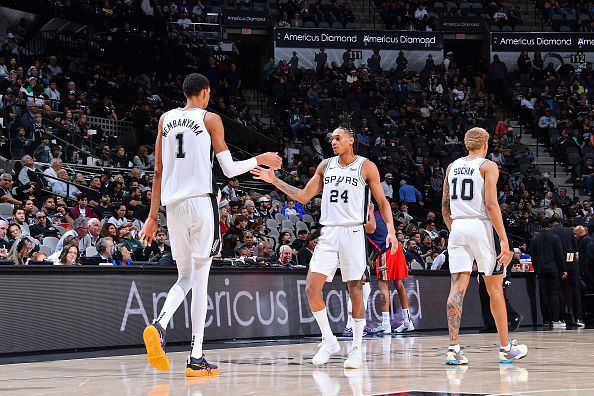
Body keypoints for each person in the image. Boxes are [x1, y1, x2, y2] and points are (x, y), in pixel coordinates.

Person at [139, 73, 282, 377]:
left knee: (184, 277)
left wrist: (152, 217)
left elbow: (158, 171)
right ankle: (196, 357)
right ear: (204, 93)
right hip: (201, 203)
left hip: (172, 206)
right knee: (200, 281)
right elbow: (229, 168)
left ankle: (159, 325)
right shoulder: (210, 119)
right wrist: (262, 158)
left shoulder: (165, 119)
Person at [251, 120, 397, 369]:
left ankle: (356, 349)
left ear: (351, 140)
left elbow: (382, 202)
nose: (333, 141)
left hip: (353, 231)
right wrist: (273, 181)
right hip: (329, 233)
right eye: (332, 138)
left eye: (338, 138)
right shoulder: (325, 165)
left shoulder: (366, 167)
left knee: (355, 290)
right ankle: (329, 340)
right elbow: (303, 196)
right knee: (311, 287)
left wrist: (391, 231)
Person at [441, 127, 527, 365]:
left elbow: (445, 206)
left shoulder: (452, 167)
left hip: (457, 227)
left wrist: (454, 231)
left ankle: (453, 349)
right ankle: (505, 347)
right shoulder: (488, 166)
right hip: (480, 227)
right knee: (494, 288)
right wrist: (504, 240)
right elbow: (491, 204)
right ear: (485, 145)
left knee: (457, 289)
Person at [366, 202, 413, 334]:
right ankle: (408, 321)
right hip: (396, 248)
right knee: (399, 284)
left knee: (383, 285)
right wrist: (372, 257)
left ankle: (385, 324)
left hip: (386, 250)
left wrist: (369, 211)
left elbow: (372, 228)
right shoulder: (381, 214)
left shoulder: (366, 218)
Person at [530, 218, 568, 328]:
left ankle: (546, 320)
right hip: (553, 269)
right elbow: (559, 255)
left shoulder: (534, 239)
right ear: (549, 226)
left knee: (543, 294)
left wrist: (536, 270)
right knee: (554, 294)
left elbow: (533, 257)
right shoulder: (555, 238)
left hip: (541, 270)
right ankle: (555, 320)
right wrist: (563, 269)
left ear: (539, 227)